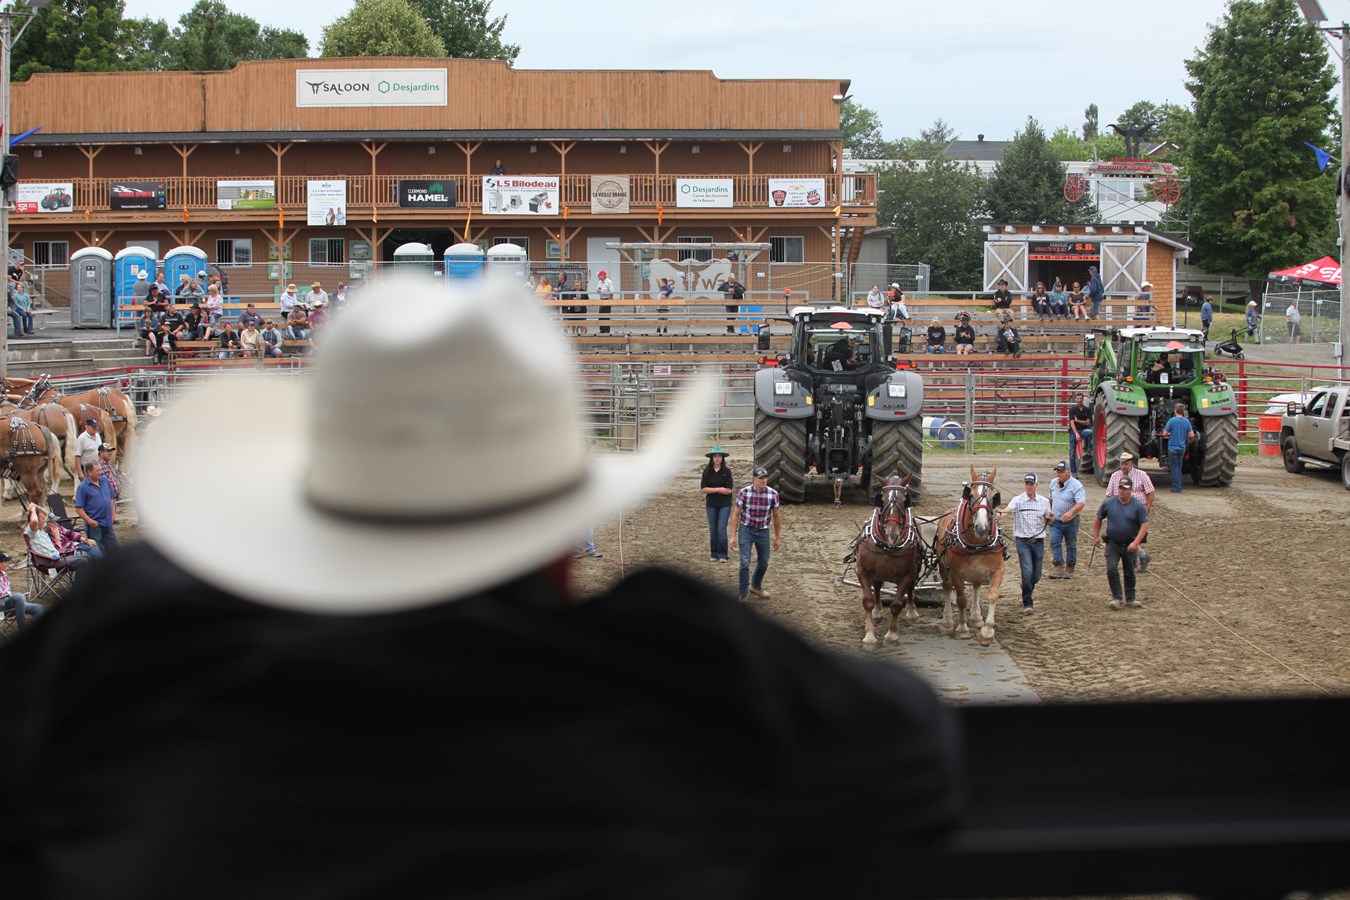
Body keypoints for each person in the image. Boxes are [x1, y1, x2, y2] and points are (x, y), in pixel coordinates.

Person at [0, 278, 964, 898]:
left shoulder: (138, 652)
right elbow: (906, 746)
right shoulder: (680, 677)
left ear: (307, 518)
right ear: (557, 540)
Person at [1093, 480, 1149, 609]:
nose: (1122, 491)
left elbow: (1144, 525)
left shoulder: (1138, 506)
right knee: (1111, 569)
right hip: (1113, 543)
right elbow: (1098, 518)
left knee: (1130, 571)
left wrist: (1136, 542)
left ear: (1131, 490)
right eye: (1120, 488)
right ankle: (1117, 597)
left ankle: (1130, 598)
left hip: (1130, 545)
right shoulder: (1109, 503)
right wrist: (1096, 536)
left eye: (1125, 488)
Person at [729, 465, 781, 603]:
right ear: (754, 479)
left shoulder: (773, 494)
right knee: (744, 562)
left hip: (763, 531)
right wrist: (733, 535)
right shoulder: (744, 493)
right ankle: (743, 593)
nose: (763, 481)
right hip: (746, 529)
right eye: (760, 478)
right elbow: (736, 514)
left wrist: (777, 537)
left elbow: (776, 516)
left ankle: (756, 586)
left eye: (765, 478)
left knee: (763, 563)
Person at [1002, 473, 1053, 613]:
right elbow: (1007, 511)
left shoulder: (1044, 501)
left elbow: (1048, 520)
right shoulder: (1017, 500)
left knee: (1036, 575)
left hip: (1038, 542)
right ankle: (1028, 602)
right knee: (1027, 571)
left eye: (1031, 484)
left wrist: (1050, 518)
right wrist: (998, 514)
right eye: (1027, 484)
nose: (1029, 486)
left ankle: (1026, 585)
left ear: (1036, 485)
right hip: (1022, 541)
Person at [23, 502, 99, 576]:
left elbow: (47, 514)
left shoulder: (41, 529)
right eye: (42, 518)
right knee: (84, 561)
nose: (45, 519)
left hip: (56, 559)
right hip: (50, 562)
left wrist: (35, 506)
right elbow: (34, 521)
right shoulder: (32, 532)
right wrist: (33, 510)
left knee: (88, 557)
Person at [1046, 462, 1086, 579]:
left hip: (1071, 521)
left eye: (1061, 472)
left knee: (1071, 544)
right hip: (1056, 520)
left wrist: (1070, 513)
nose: (1058, 474)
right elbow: (1050, 499)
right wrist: (1049, 512)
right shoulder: (1053, 483)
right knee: (1054, 541)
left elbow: (1081, 503)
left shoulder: (1077, 485)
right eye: (1057, 471)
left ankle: (1070, 567)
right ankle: (1058, 567)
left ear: (1068, 472)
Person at [75, 460, 119, 553]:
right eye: (97, 471)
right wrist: (90, 521)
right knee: (98, 550)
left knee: (113, 547)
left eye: (100, 470)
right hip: (95, 525)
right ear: (89, 472)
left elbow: (110, 498)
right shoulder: (82, 487)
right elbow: (79, 509)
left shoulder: (104, 481)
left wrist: (112, 514)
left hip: (107, 521)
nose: (100, 472)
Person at [700, 445, 734, 562]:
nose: (718, 458)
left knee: (721, 529)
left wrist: (714, 489)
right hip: (711, 504)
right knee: (713, 530)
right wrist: (719, 489)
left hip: (725, 504)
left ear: (722, 458)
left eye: (719, 456)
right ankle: (714, 554)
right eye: (715, 456)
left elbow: (729, 489)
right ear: (712, 458)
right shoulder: (707, 471)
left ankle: (723, 555)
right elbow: (703, 489)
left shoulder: (727, 471)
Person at [0, 551, 42, 631]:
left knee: (38, 608)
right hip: (1, 603)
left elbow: (7, 591)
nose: (8, 564)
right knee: (18, 596)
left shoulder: (3, 574)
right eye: (5, 562)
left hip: (9, 602)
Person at [1162, 403, 1195, 493]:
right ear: (1183, 412)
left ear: (1175, 411)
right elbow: (1191, 435)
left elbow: (1164, 433)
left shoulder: (1172, 421)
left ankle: (1176, 488)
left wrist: (1169, 433)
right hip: (1182, 448)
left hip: (1172, 447)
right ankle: (1178, 486)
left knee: (1174, 468)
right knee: (1179, 467)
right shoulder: (1186, 421)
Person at [1068, 393, 1093, 474]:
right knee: (1072, 453)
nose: (1079, 400)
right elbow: (1072, 423)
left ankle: (1089, 449)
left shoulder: (1087, 410)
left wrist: (1078, 421)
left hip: (1083, 430)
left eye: (1080, 398)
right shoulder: (1072, 410)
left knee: (1091, 432)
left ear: (1083, 399)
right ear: (1075, 399)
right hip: (1074, 432)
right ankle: (1074, 472)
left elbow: (1088, 423)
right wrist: (1076, 434)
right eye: (1077, 398)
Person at [595, 269, 615, 335]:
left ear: (603, 275)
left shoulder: (609, 282)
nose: (598, 276)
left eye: (599, 275)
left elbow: (611, 292)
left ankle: (607, 330)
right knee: (601, 315)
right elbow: (598, 289)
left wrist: (610, 300)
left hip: (607, 299)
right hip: (601, 299)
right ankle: (602, 329)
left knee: (606, 315)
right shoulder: (599, 282)